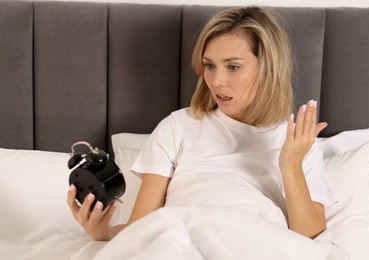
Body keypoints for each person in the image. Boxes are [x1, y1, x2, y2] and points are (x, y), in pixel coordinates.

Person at [68, 6, 332, 242]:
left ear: (268, 69)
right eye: (209, 65)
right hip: (183, 241)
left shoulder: (296, 142)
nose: (216, 81)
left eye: (233, 67)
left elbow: (310, 241)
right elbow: (142, 228)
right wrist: (104, 233)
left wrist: (291, 165)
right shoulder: (179, 126)